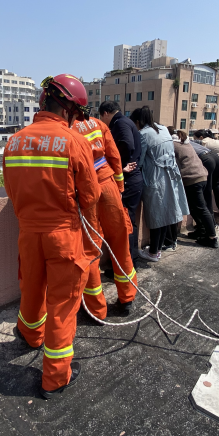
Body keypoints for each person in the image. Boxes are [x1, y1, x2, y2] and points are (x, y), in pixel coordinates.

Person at [3, 74, 100, 399]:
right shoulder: (74, 142)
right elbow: (89, 196)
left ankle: (30, 336)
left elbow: (12, 193)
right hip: (64, 236)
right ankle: (55, 378)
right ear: (71, 111)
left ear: (43, 102)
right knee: (62, 305)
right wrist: (92, 242)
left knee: (31, 289)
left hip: (29, 234)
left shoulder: (14, 141)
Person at [72, 108, 138, 317]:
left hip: (84, 190)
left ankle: (96, 310)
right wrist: (118, 188)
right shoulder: (97, 124)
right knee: (120, 242)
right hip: (108, 183)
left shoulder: (65, 128)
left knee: (90, 249)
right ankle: (127, 298)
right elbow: (114, 157)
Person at [130, 106, 189, 262]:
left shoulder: (143, 135)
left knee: (156, 215)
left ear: (137, 121)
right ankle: (159, 248)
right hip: (171, 175)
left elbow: (140, 160)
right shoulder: (163, 129)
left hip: (154, 177)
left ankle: (153, 252)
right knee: (166, 213)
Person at [99, 101, 143, 263]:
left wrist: (119, 165)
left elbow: (126, 143)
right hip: (134, 179)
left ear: (105, 113)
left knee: (125, 223)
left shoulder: (119, 123)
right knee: (130, 221)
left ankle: (126, 264)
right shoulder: (126, 121)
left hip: (129, 180)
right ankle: (132, 260)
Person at [171, 130, 218, 248]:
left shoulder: (172, 145)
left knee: (201, 208)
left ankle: (212, 238)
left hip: (192, 178)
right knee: (194, 207)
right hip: (201, 176)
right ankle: (202, 231)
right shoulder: (185, 143)